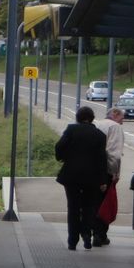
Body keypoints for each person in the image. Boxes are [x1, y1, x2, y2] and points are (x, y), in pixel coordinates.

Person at [54, 105, 108, 250]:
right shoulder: (100, 135)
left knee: (73, 207)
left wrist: (64, 158)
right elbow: (102, 159)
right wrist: (103, 180)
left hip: (71, 175)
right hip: (92, 177)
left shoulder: (71, 129)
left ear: (78, 117)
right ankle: (86, 235)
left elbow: (59, 146)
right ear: (92, 118)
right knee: (89, 207)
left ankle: (72, 241)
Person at [92, 107, 125, 246]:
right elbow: (114, 153)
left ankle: (94, 232)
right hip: (106, 171)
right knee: (104, 203)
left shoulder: (97, 124)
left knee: (93, 202)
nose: (123, 121)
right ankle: (100, 235)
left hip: (92, 170)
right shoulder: (115, 127)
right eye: (122, 117)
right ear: (115, 114)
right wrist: (114, 173)